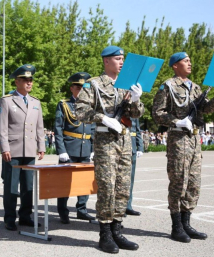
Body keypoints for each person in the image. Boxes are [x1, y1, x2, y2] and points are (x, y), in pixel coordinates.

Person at [152, 52, 214, 243]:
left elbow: (204, 110)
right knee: (179, 182)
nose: (190, 63)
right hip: (178, 140)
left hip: (194, 141)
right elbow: (157, 113)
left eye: (190, 61)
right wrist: (177, 122)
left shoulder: (195, 87)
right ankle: (176, 227)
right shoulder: (167, 86)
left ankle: (186, 223)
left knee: (193, 184)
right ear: (175, 65)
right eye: (186, 61)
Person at [76, 46, 144, 253]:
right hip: (105, 140)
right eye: (117, 59)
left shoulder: (126, 85)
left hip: (123, 141)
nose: (122, 62)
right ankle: (104, 235)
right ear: (106, 61)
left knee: (123, 187)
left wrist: (136, 99)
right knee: (107, 187)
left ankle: (117, 231)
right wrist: (102, 117)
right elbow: (80, 111)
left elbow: (137, 114)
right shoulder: (93, 84)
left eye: (123, 58)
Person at [0, 64, 46, 231]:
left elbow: (40, 126)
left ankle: (25, 216)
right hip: (13, 149)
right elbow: (2, 127)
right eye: (25, 80)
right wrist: (4, 148)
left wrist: (41, 145)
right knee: (11, 186)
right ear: (17, 81)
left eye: (30, 80)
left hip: (30, 149)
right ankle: (9, 218)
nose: (29, 83)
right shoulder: (7, 101)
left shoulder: (35, 102)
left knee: (28, 186)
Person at [54, 72, 95, 224]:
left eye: (85, 87)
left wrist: (92, 149)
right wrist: (61, 150)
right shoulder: (64, 105)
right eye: (78, 87)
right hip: (69, 149)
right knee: (65, 183)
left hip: (85, 148)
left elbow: (92, 128)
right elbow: (58, 129)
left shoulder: (90, 106)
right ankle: (63, 211)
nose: (82, 90)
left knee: (84, 182)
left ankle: (82, 210)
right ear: (72, 88)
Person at [125, 118, 143, 216]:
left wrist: (140, 147)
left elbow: (137, 130)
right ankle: (118, 208)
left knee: (130, 180)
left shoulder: (134, 111)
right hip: (121, 147)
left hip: (132, 149)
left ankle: (128, 205)